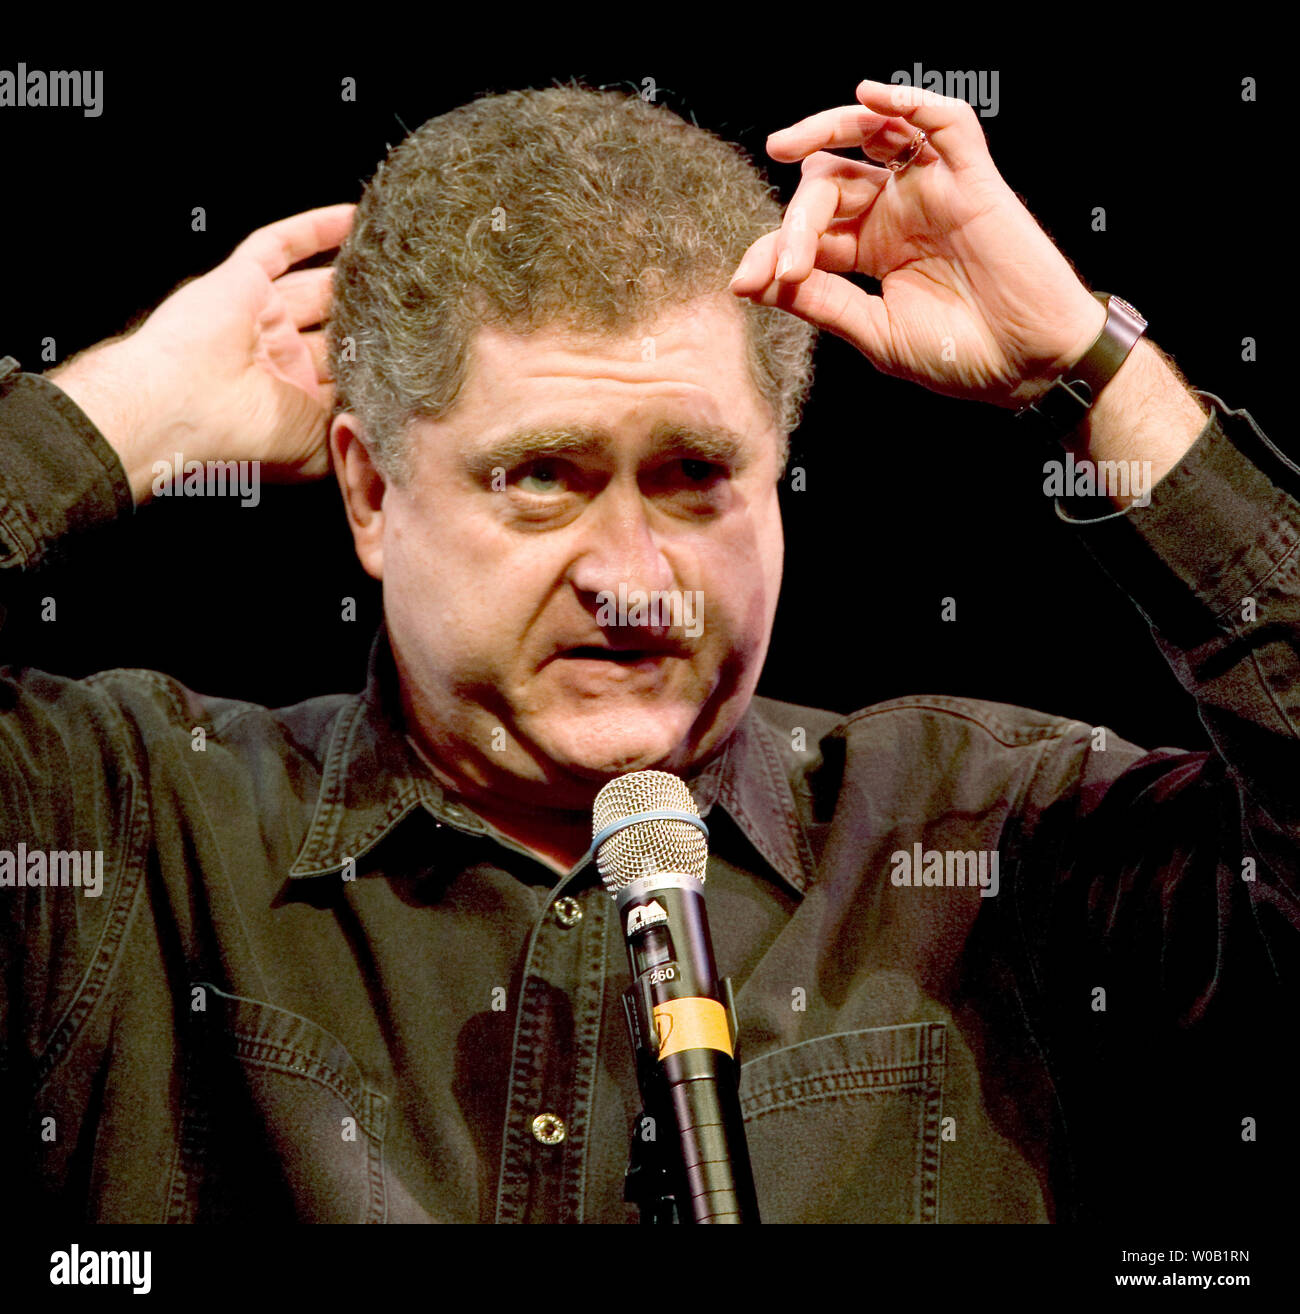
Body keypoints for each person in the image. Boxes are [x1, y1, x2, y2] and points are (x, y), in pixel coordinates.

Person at [0, 79, 1293, 1225]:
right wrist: (114, 418)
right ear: (372, 496)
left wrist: (1090, 374)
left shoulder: (992, 836)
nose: (631, 579)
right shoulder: (121, 825)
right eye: (543, 477)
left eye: (693, 475)